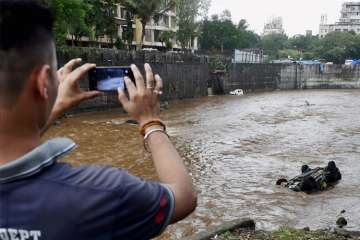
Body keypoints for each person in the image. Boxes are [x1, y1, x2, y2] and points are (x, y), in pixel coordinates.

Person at [0, 1, 197, 239]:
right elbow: (183, 196)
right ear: (43, 83)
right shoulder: (102, 193)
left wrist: (52, 107)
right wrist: (150, 120)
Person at [276, 161, 342, 193]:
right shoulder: (321, 170)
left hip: (312, 180)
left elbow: (323, 184)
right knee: (305, 168)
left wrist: (323, 187)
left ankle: (304, 184)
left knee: (307, 179)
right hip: (311, 177)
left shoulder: (333, 175)